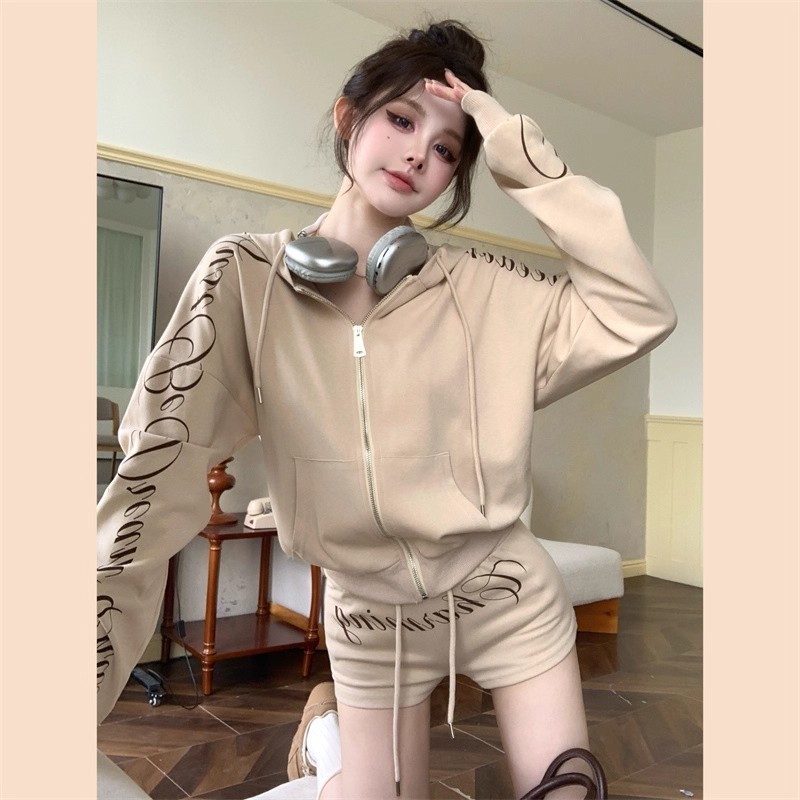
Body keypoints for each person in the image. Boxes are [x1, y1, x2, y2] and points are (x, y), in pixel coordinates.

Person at [97, 19, 676, 800]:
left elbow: (637, 310)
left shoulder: (481, 288)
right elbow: (154, 473)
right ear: (349, 117)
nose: (417, 155)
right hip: (370, 615)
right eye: (401, 120)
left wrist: (515, 150)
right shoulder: (244, 279)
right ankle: (329, 739)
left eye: (447, 149)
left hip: (505, 590)